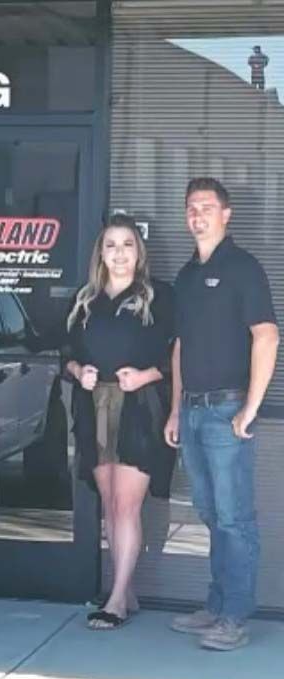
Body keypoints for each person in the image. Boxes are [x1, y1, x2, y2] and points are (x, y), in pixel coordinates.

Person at [164, 178, 279, 651]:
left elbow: (267, 336)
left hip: (227, 411)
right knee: (210, 515)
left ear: (226, 214)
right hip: (191, 411)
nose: (198, 216)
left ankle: (234, 616)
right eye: (191, 207)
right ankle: (215, 605)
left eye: (207, 207)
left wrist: (250, 407)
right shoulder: (187, 276)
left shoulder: (243, 268)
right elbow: (178, 349)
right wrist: (174, 409)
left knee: (234, 519)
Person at [65, 214, 175, 630]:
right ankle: (125, 591)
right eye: (111, 245)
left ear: (139, 252)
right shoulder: (85, 299)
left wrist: (145, 376)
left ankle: (114, 598)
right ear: (101, 253)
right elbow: (66, 352)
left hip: (139, 410)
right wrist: (79, 372)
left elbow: (178, 356)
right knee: (109, 502)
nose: (119, 253)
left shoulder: (158, 297)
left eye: (127, 244)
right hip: (94, 407)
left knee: (128, 505)